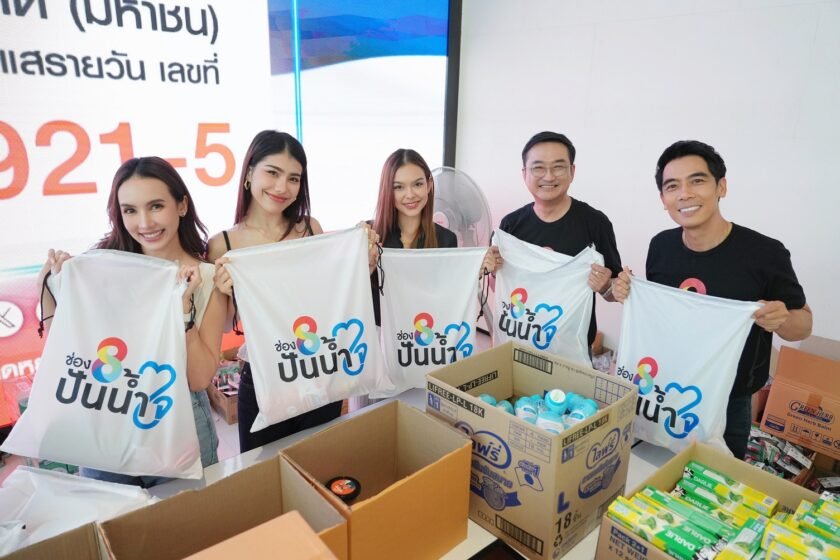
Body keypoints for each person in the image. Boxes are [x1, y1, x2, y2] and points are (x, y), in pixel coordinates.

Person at [611, 140, 812, 459]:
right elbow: (662, 315)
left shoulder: (764, 253)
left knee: (712, 479)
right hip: (663, 387)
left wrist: (781, 318)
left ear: (722, 187)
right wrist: (627, 293)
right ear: (663, 199)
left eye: (697, 181)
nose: (684, 194)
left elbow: (803, 325)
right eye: (672, 186)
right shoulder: (661, 246)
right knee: (651, 469)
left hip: (728, 401)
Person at [37, 157, 226, 487]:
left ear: (182, 205)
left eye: (156, 206)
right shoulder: (100, 269)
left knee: (187, 516)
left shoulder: (207, 277)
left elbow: (198, 379)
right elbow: (66, 352)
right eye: (130, 210)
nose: (145, 222)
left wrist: (183, 312)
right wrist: (49, 289)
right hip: (106, 412)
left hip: (177, 416)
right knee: (111, 516)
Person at [209, 130, 377, 452]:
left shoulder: (310, 228)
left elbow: (329, 295)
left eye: (293, 179)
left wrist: (362, 264)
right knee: (263, 472)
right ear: (249, 174)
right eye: (272, 173)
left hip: (320, 368)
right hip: (265, 378)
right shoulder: (222, 244)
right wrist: (222, 290)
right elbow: (225, 323)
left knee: (319, 462)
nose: (281, 187)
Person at [488, 131, 621, 355]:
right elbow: (501, 287)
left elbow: (613, 292)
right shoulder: (510, 225)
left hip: (572, 352)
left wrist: (606, 285)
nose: (549, 176)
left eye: (558, 167)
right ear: (524, 174)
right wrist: (493, 271)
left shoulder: (595, 223)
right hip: (518, 341)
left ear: (572, 171)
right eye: (538, 167)